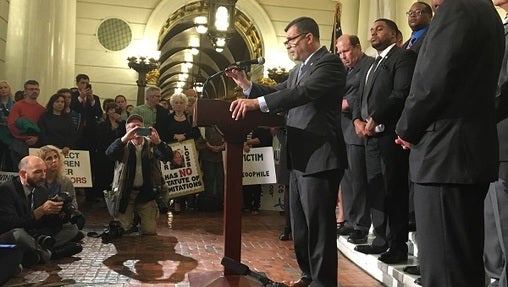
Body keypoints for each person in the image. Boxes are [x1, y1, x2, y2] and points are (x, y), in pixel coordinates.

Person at [227, 16, 347, 287]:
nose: (288, 46)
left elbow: (302, 94)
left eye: (291, 40)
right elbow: (280, 91)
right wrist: (246, 85)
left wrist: (255, 103)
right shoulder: (300, 69)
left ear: (308, 37)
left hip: (320, 157)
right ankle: (308, 275)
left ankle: (324, 282)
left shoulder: (328, 64)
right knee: (300, 226)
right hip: (299, 156)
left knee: (319, 227)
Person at [394, 0, 504, 286]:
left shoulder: (456, 9)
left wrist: (407, 128)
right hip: (467, 152)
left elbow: (432, 81)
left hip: (444, 154)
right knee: (463, 264)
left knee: (444, 271)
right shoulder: (488, 13)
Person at [351, 19, 416, 265]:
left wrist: (376, 117)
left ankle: (397, 244)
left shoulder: (402, 57)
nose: (373, 33)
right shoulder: (372, 63)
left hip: (390, 135)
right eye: (371, 30)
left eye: (379, 29)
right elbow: (359, 95)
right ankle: (380, 239)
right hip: (370, 136)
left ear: (395, 34)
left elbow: (401, 94)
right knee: (376, 188)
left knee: (394, 190)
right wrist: (357, 119)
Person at [0, 156, 83, 264]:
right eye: (38, 172)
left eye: (44, 171)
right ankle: (50, 254)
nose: (43, 176)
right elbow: (10, 225)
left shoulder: (40, 190)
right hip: (10, 234)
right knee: (18, 234)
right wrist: (39, 212)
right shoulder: (6, 190)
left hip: (33, 233)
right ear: (23, 174)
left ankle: (35, 252)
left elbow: (43, 223)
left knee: (71, 228)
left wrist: (58, 215)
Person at [105, 114, 172, 236]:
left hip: (146, 193)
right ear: (127, 130)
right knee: (123, 230)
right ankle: (132, 220)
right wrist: (125, 139)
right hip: (126, 193)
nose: (136, 129)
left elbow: (167, 157)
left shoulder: (151, 144)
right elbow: (110, 154)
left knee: (149, 231)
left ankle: (140, 217)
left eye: (139, 127)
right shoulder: (122, 145)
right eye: (132, 127)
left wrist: (159, 142)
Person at [334, 34, 373, 245]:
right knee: (347, 179)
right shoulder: (345, 70)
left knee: (359, 180)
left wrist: (338, 104)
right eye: (339, 52)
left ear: (357, 47)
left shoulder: (368, 66)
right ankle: (349, 218)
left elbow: (356, 98)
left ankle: (361, 224)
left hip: (357, 129)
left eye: (346, 51)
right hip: (343, 130)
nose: (342, 56)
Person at [484, 2, 508, 287]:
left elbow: (502, 84)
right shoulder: (498, 24)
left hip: (502, 133)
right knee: (493, 217)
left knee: (502, 217)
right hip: (492, 136)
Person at [35, 145, 85, 237]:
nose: (54, 161)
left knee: (72, 228)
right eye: (49, 158)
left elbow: (73, 202)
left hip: (59, 219)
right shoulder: (37, 181)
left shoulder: (65, 181)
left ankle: (48, 245)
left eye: (56, 157)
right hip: (40, 218)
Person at [70, 74, 103, 202]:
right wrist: (81, 97)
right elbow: (73, 107)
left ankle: (90, 195)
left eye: (87, 83)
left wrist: (91, 99)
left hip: (90, 135)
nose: (85, 85)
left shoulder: (94, 98)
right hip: (76, 134)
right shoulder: (72, 96)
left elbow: (98, 113)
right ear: (77, 83)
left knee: (89, 165)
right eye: (82, 83)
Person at [7, 80, 46, 170]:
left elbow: (44, 127)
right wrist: (26, 138)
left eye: (36, 89)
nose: (34, 91)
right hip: (19, 144)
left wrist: (37, 138)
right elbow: (12, 125)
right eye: (31, 89)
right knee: (20, 172)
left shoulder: (42, 109)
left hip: (36, 144)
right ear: (25, 91)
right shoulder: (17, 106)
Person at [242, 127, 273, 214]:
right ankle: (247, 205)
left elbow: (263, 139)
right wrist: (244, 145)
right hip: (246, 157)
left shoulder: (260, 127)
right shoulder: (243, 127)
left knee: (256, 183)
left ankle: (255, 206)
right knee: (246, 182)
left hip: (258, 157)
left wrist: (247, 143)